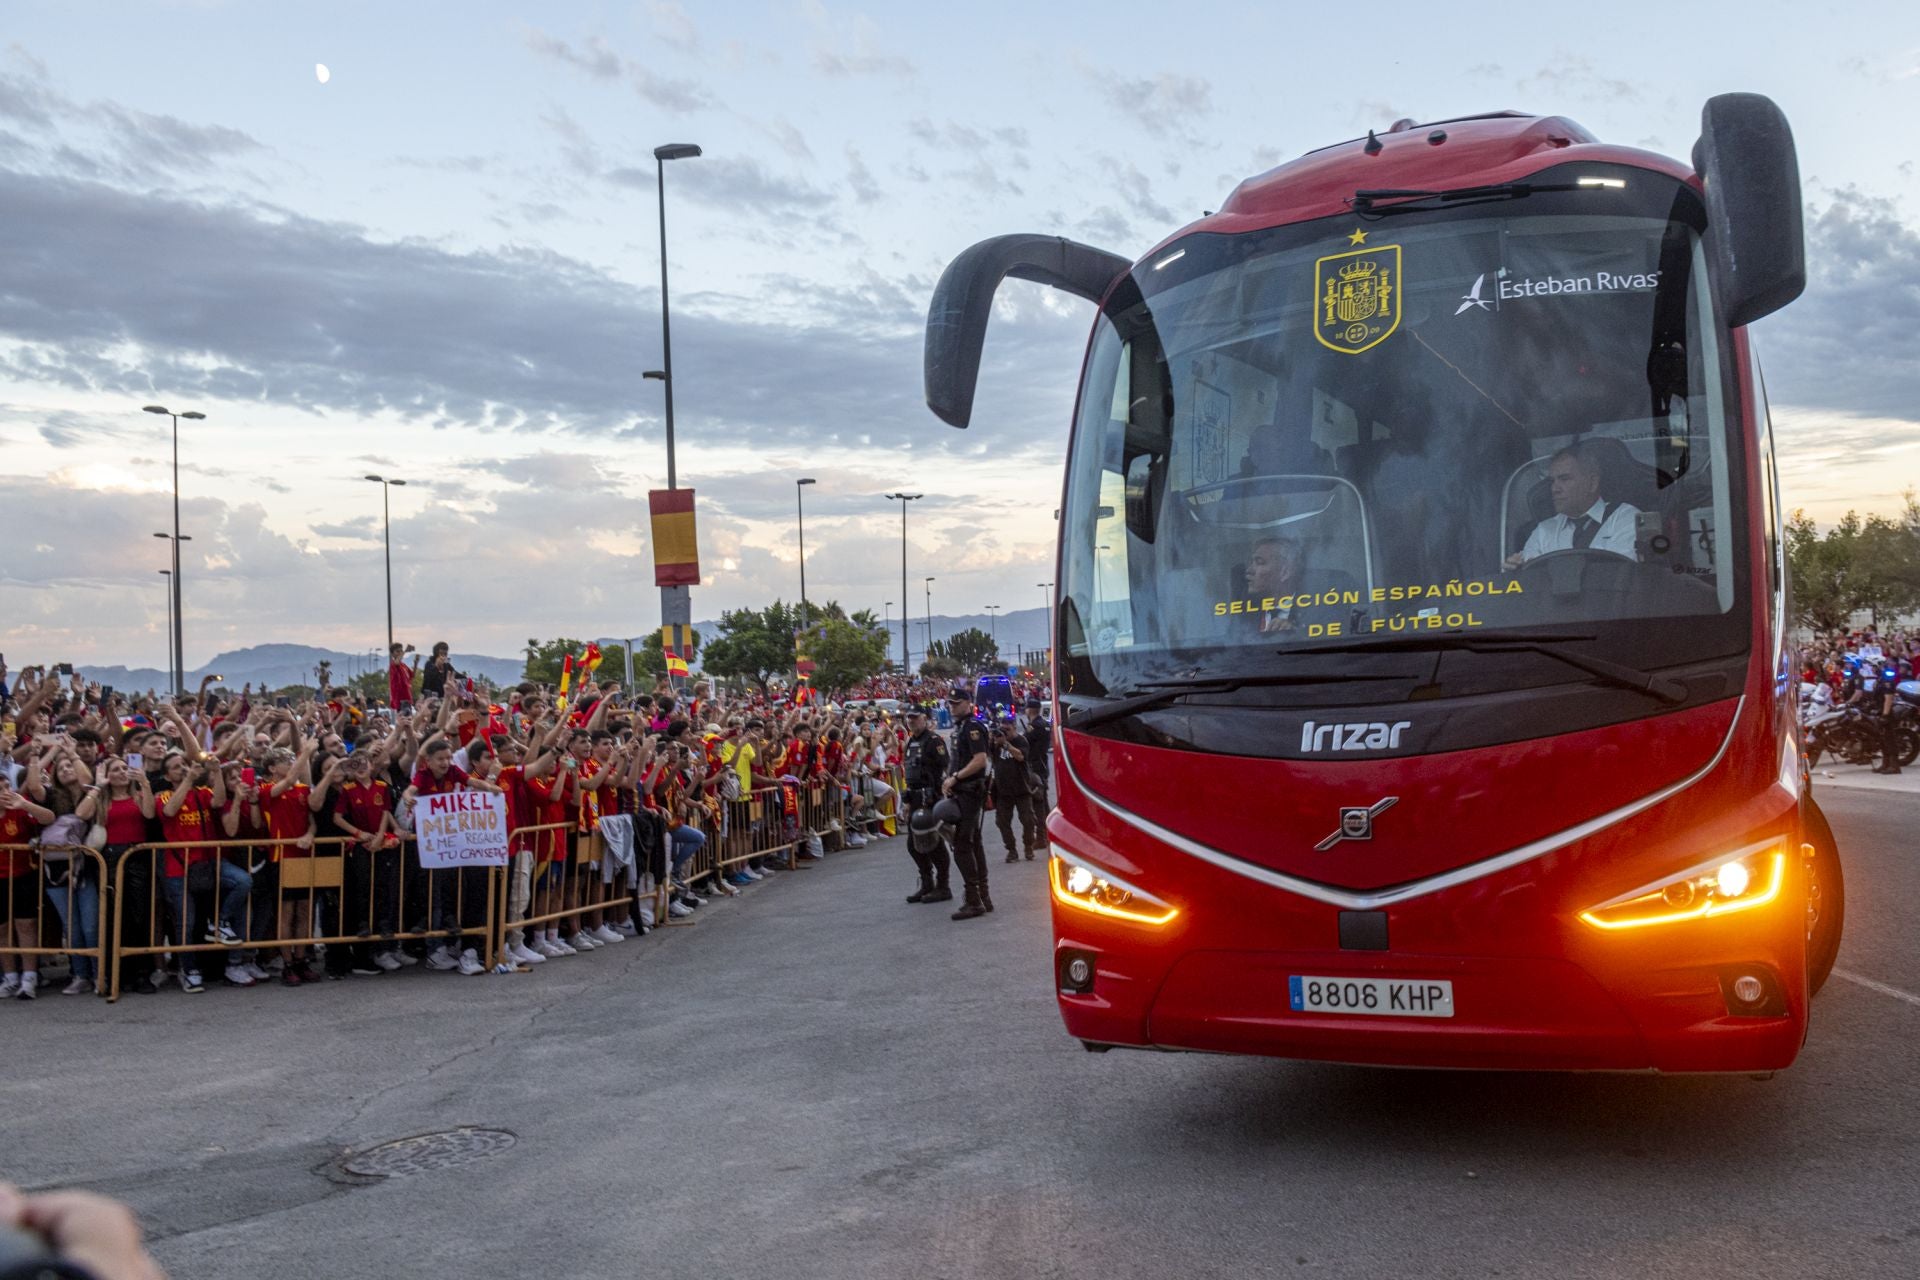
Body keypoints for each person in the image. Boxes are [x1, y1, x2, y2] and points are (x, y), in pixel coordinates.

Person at [1507, 443, 1641, 567]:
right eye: (1552, 481)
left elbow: (1624, 573)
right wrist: (1517, 572)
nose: (1554, 488)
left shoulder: (1626, 519)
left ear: (1592, 483)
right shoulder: (1544, 531)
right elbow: (1533, 583)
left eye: (1564, 479)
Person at [940, 687, 994, 921]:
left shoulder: (972, 726)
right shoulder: (961, 727)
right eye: (950, 703)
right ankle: (983, 895)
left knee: (963, 845)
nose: (953, 706)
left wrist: (956, 777)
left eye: (957, 703)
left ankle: (974, 900)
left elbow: (980, 760)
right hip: (963, 791)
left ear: (968, 703)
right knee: (973, 843)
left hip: (970, 791)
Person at [899, 707, 950, 903]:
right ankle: (927, 882)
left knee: (934, 843)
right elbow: (909, 772)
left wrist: (940, 791)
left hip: (930, 798)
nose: (911, 721)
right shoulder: (911, 741)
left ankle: (943, 885)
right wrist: (906, 801)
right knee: (913, 845)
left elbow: (945, 765)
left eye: (915, 718)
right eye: (909, 718)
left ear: (925, 719)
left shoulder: (934, 741)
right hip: (914, 799)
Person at [988, 716, 1040, 863]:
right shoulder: (996, 742)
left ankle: (1028, 846)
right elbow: (988, 756)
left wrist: (1006, 744)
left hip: (1021, 788)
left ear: (1014, 727)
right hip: (1003, 791)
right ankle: (1011, 849)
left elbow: (1021, 756)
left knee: (1028, 821)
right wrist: (992, 740)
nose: (1004, 732)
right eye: (1002, 729)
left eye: (1007, 729)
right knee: (1002, 822)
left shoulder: (1021, 741)